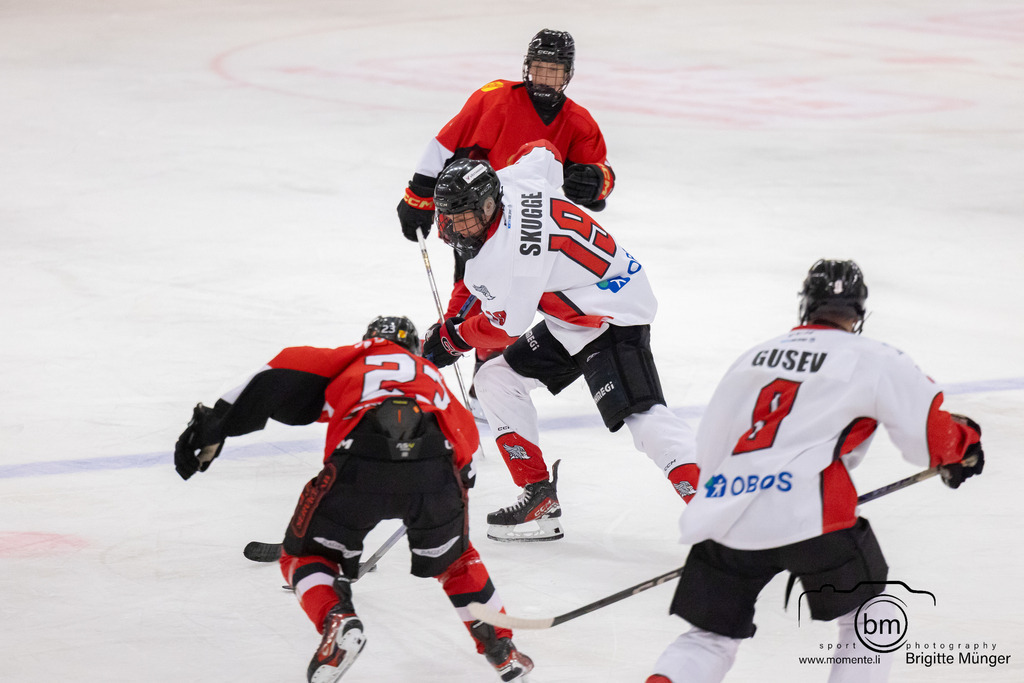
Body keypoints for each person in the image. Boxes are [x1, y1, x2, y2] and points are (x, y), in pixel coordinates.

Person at [646, 260, 985, 683]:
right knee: (870, 618)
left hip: (730, 511)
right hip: (814, 515)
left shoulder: (752, 357)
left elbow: (712, 446)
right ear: (860, 311)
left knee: (708, 638)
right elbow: (930, 438)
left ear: (805, 304)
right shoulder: (875, 356)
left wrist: (726, 500)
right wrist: (965, 444)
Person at [173, 316, 534, 683]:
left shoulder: (356, 357)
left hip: (360, 462)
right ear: (414, 348)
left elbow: (281, 368)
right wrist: (456, 484)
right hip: (434, 470)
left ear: (370, 340)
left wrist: (215, 424)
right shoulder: (428, 374)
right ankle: (501, 650)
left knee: (303, 556)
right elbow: (467, 441)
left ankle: (337, 618)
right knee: (457, 563)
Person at [420, 142, 699, 543]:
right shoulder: (516, 179)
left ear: (485, 209)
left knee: (644, 419)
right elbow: (544, 151)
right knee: (496, 379)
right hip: (575, 313)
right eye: (448, 219)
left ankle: (716, 509)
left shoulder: (513, 257)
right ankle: (538, 495)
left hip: (611, 316)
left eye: (462, 220)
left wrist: (451, 340)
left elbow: (503, 328)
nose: (452, 229)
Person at [397, 29, 617, 400]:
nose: (545, 79)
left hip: (532, 230)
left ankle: (480, 377)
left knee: (504, 308)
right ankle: (433, 362)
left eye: (555, 71)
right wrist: (418, 198)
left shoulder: (578, 121)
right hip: (478, 220)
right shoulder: (495, 99)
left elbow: (601, 172)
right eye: (539, 69)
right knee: (470, 296)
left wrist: (595, 182)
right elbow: (444, 145)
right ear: (526, 68)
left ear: (569, 74)